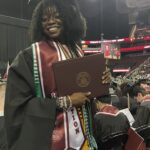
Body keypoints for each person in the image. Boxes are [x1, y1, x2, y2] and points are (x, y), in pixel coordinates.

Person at [4, 0, 110, 150]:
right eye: (45, 19)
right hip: (51, 143)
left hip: (83, 141)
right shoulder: (31, 56)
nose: (50, 22)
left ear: (68, 18)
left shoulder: (77, 51)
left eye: (56, 16)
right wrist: (65, 102)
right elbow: (17, 106)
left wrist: (103, 81)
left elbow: (90, 94)